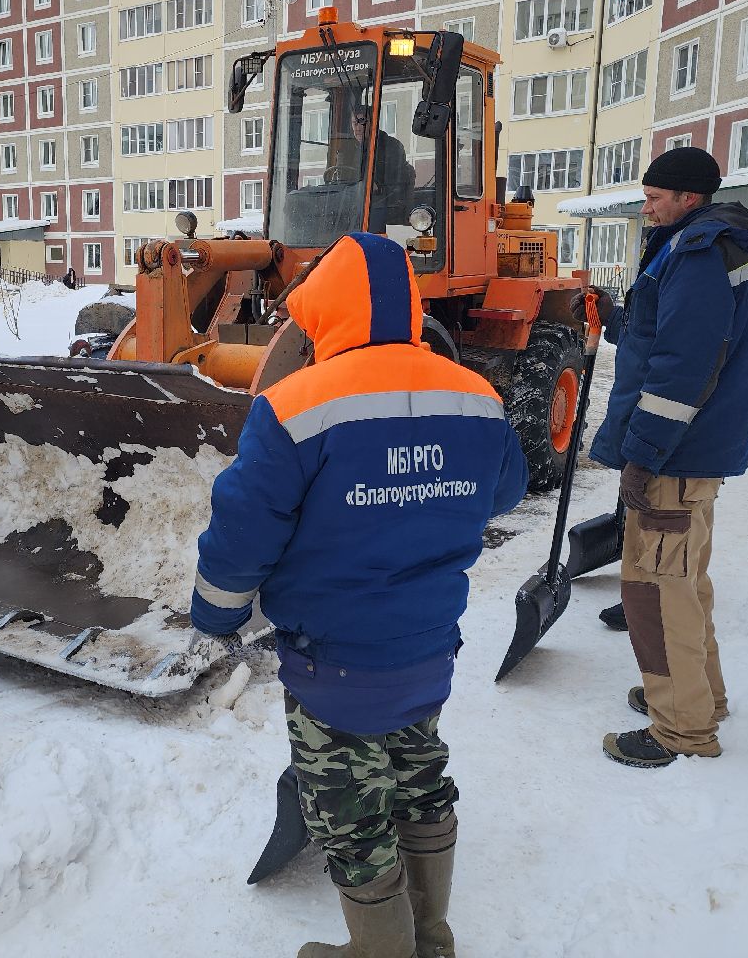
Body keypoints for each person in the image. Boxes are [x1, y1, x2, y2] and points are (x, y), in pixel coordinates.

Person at [190, 231, 529, 958]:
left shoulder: (294, 406)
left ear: (327, 311)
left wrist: (215, 612)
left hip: (331, 662)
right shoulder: (478, 396)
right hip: (428, 648)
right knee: (420, 781)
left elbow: (243, 530)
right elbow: (504, 493)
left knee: (350, 814)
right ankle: (431, 937)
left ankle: (383, 951)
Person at [576, 146, 748, 768]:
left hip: (677, 453)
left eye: (655, 198)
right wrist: (614, 316)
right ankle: (699, 698)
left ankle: (682, 728)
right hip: (696, 451)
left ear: (690, 198)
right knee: (686, 581)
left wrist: (642, 456)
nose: (647, 207)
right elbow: (662, 335)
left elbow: (681, 371)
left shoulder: (697, 256)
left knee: (656, 590)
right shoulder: (715, 247)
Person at [351, 110, 412, 233]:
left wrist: (371, 185)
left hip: (387, 203)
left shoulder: (390, 146)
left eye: (361, 122)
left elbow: (392, 181)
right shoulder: (356, 148)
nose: (357, 128)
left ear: (374, 123)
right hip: (362, 200)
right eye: (354, 123)